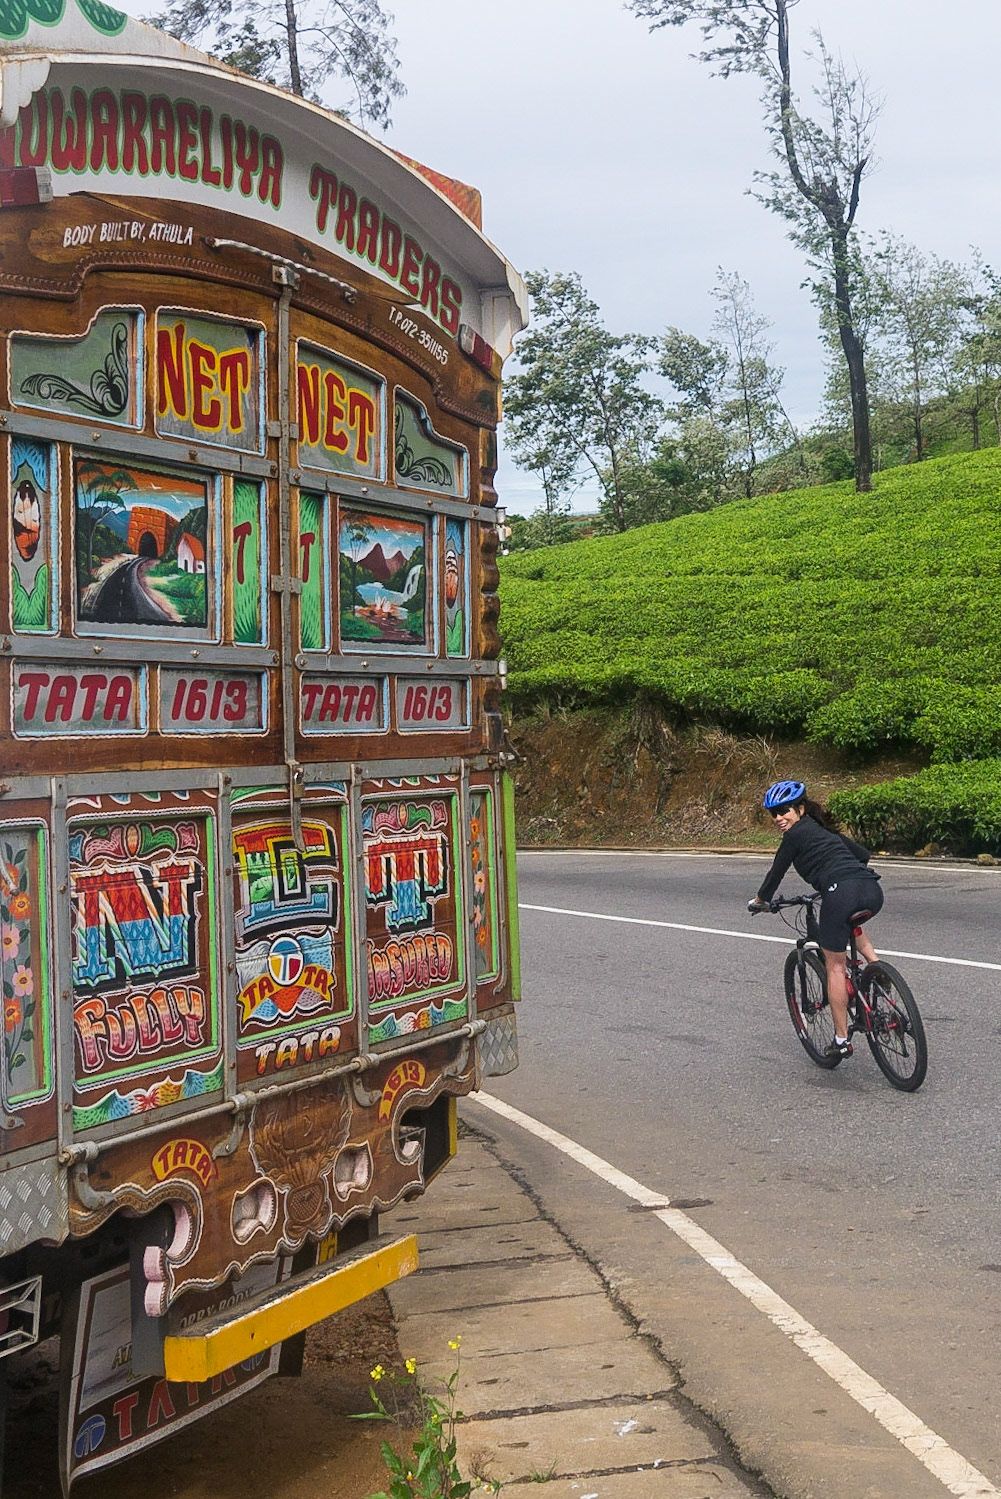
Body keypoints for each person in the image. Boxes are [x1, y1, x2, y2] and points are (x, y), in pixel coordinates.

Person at [747, 779, 883, 1060]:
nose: (778, 818)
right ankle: (877, 968)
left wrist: (760, 902)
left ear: (800, 808)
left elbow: (775, 874)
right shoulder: (824, 831)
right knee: (850, 923)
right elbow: (863, 855)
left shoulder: (794, 836)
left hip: (839, 892)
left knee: (835, 966)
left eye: (784, 811)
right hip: (871, 889)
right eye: (773, 814)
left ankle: (842, 1040)